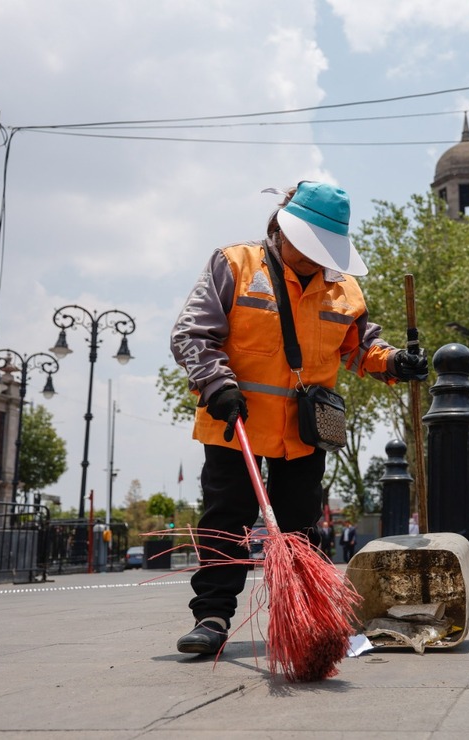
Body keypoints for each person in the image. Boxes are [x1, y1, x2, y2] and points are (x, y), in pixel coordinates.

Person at [169, 181, 428, 656]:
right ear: (281, 231)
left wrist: (392, 362)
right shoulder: (233, 265)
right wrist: (216, 383)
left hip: (304, 433)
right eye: (308, 250)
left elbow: (361, 347)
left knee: (300, 528)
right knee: (226, 521)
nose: (315, 261)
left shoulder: (344, 288)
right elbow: (191, 335)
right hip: (235, 423)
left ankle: (305, 617)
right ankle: (212, 616)